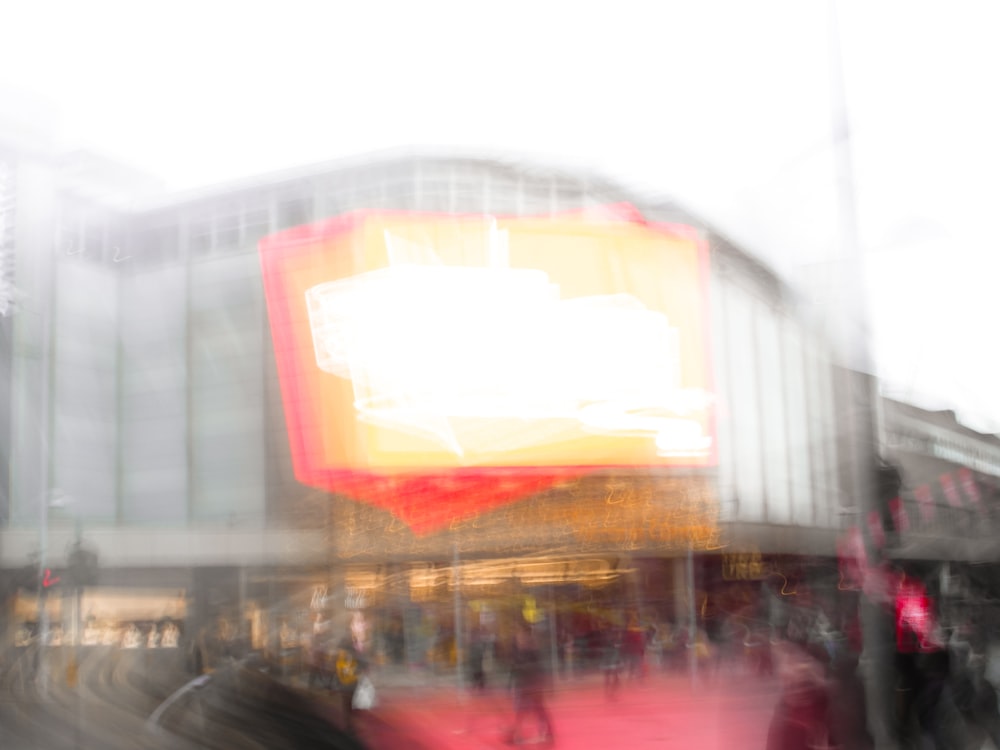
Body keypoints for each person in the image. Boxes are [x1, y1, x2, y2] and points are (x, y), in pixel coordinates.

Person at [505, 622, 554, 746]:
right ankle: (519, 734)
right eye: (518, 636)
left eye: (521, 635)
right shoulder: (519, 650)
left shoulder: (531, 650)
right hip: (524, 683)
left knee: (535, 708)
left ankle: (545, 733)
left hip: (531, 683)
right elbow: (515, 668)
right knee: (524, 709)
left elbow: (536, 667)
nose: (519, 638)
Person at [333, 636, 367, 733]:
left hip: (351, 684)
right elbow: (336, 672)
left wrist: (354, 671)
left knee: (349, 704)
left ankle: (350, 724)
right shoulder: (341, 657)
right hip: (345, 684)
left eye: (342, 650)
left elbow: (362, 666)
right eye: (340, 650)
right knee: (347, 704)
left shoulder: (354, 655)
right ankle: (349, 725)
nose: (341, 651)